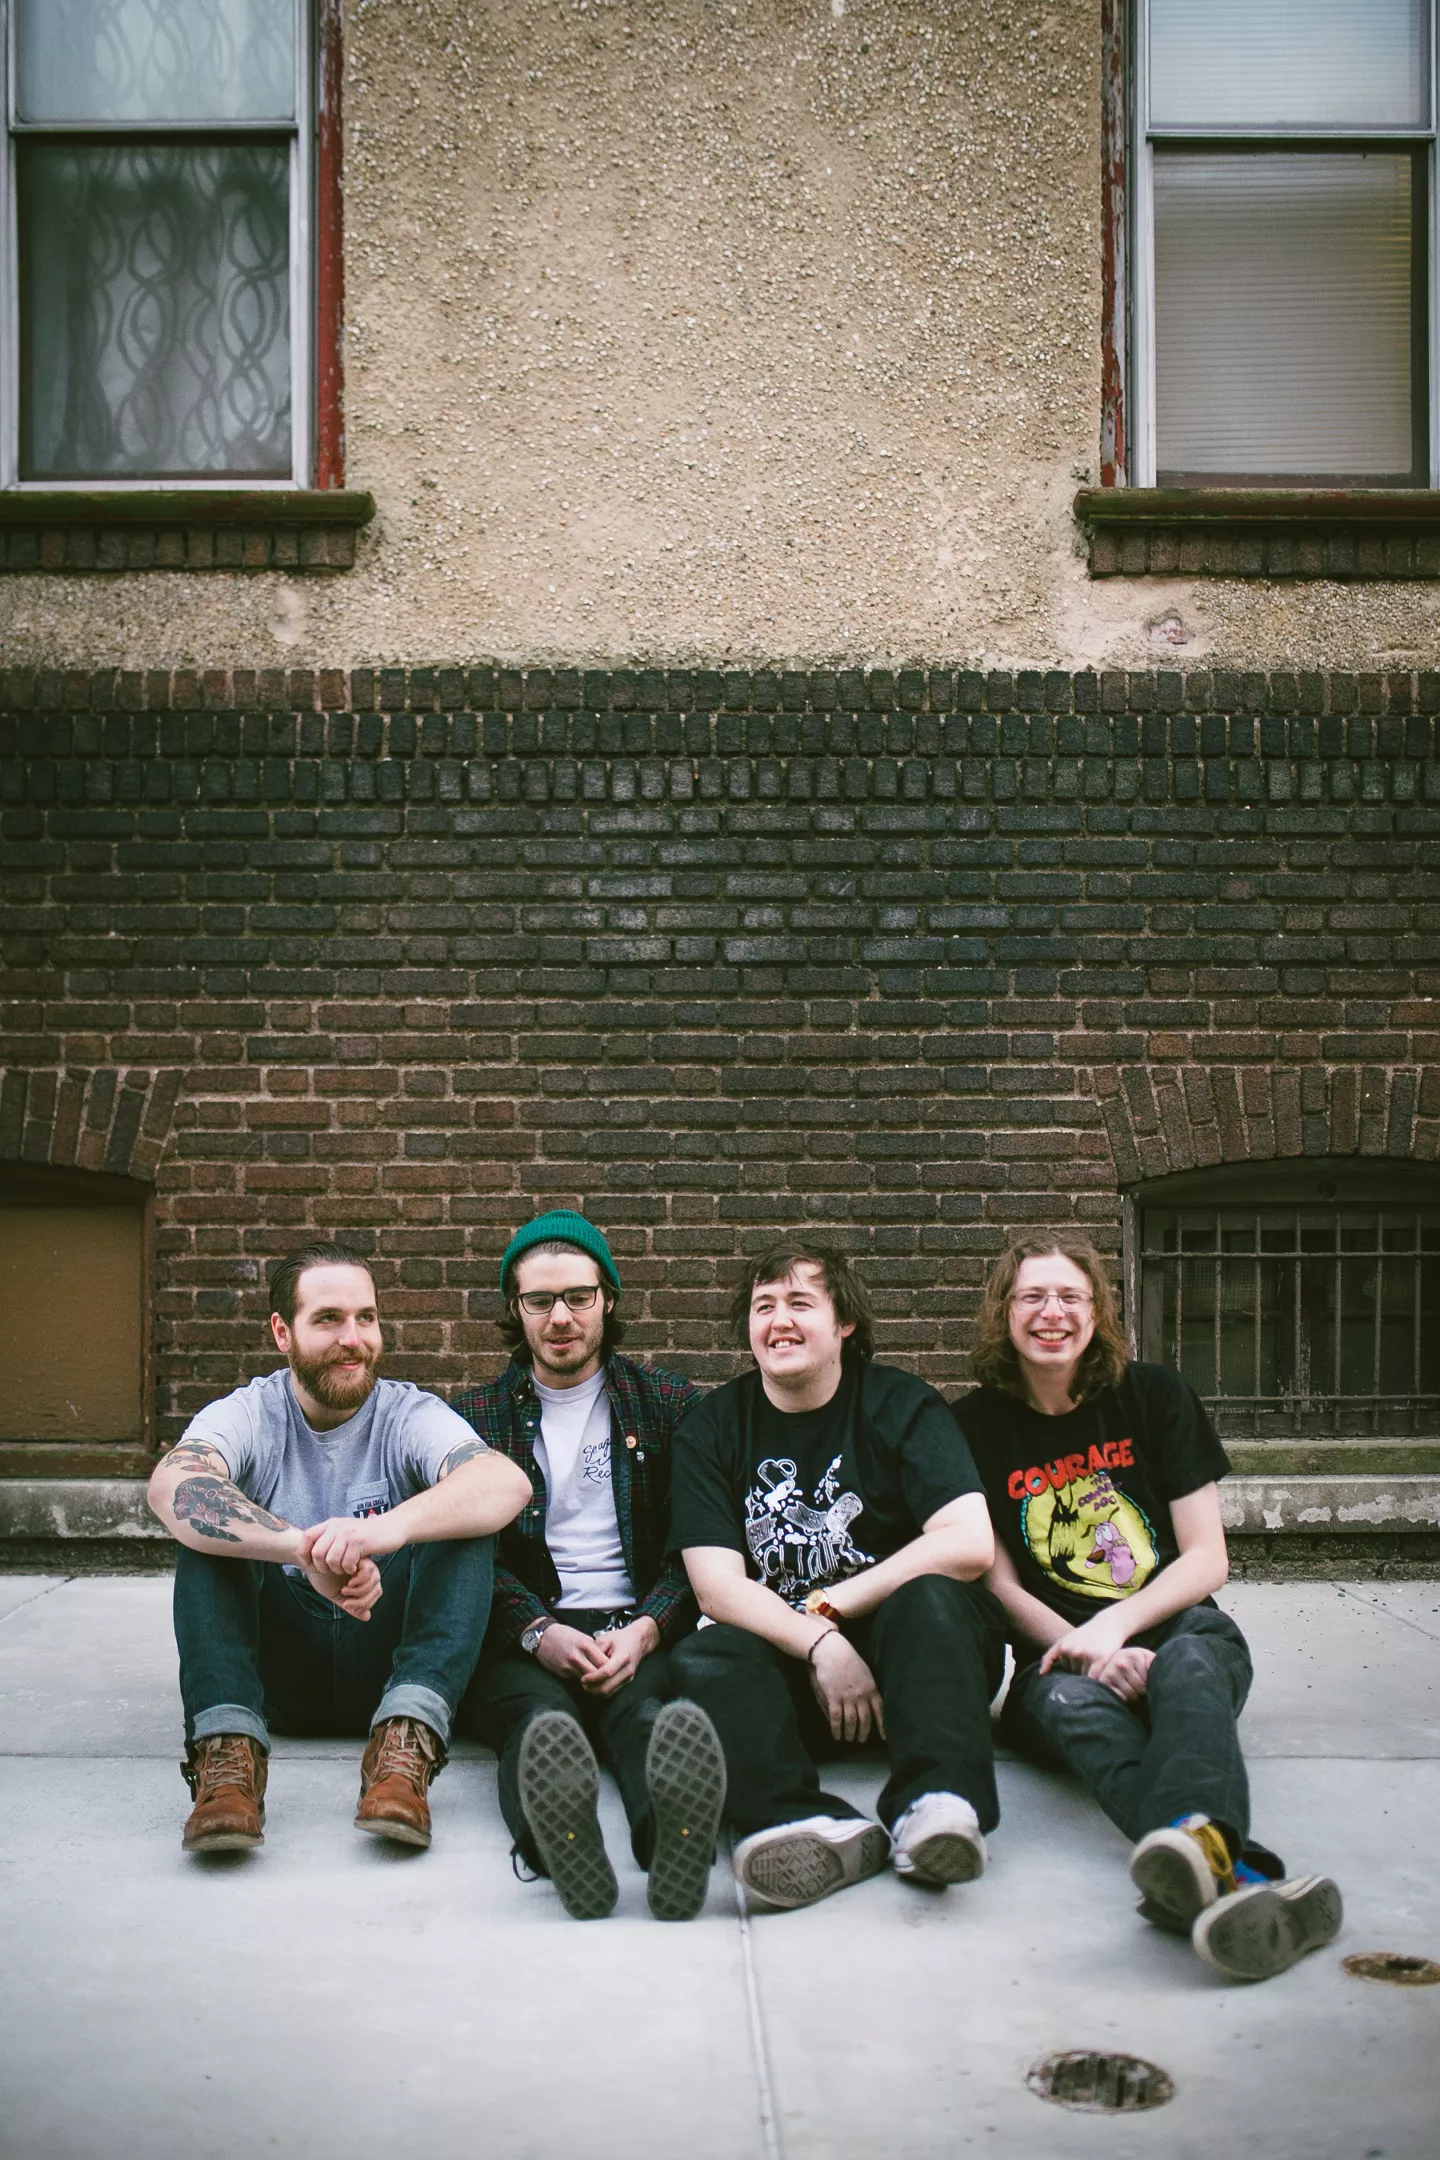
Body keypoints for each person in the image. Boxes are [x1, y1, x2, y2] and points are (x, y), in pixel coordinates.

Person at [953, 1229, 1343, 1983]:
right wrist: (1085, 1651)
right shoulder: (971, 1427)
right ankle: (1234, 1871)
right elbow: (998, 1584)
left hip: (1177, 1629)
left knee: (1189, 1662)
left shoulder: (1155, 1395)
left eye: (1070, 1296)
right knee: (1072, 1707)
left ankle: (1198, 1862)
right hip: (1055, 1658)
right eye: (1032, 1296)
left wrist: (1118, 1629)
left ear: (1097, 1310)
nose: (1052, 1312)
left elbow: (1207, 1557)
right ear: (1004, 1312)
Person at [147, 1241, 531, 1856]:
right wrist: (304, 1551)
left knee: (466, 1520)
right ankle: (228, 1765)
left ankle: (405, 1750)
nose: (353, 1339)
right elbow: (174, 1487)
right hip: (279, 1678)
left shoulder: (408, 1413)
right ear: (283, 1331)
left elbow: (504, 1483)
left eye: (366, 1318)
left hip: (388, 1665)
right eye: (328, 1319)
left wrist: (381, 1532)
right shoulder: (250, 1413)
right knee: (208, 1530)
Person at [669, 1237, 1003, 1912]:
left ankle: (937, 1807)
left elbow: (969, 1542)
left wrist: (836, 1607)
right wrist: (820, 1643)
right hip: (799, 1680)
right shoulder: (712, 1427)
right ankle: (803, 1822)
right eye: (764, 1306)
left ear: (844, 1322)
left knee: (932, 1598)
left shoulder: (902, 1406)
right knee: (707, 1653)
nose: (779, 1321)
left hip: (914, 1673)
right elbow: (715, 1586)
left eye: (800, 1303)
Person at [452, 1211, 726, 1921]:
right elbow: (468, 1552)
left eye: (578, 1296)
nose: (560, 1318)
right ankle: (563, 1851)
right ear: (515, 1309)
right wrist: (537, 1631)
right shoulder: (473, 1418)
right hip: (526, 1632)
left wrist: (647, 1630)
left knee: (648, 1721)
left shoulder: (669, 1404)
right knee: (536, 1724)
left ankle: (674, 1845)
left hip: (636, 1627)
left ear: (608, 1299)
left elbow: (695, 1542)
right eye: (539, 1300)